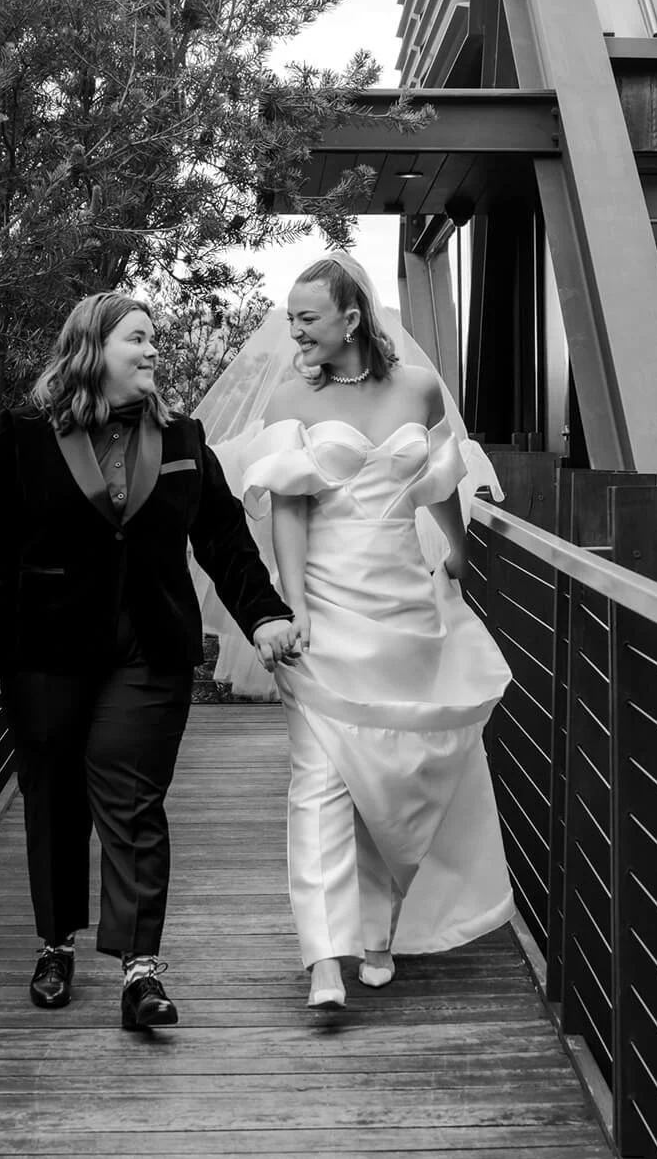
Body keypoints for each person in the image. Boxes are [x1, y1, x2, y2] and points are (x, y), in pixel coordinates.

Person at [0, 292, 298, 1029]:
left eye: (156, 339)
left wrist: (264, 615)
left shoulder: (183, 439)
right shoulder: (25, 437)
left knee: (132, 799)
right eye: (139, 338)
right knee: (54, 798)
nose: (154, 350)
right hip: (45, 650)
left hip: (149, 651)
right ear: (93, 348)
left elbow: (225, 541)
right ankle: (54, 944)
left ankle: (141, 971)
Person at [205, 252, 514, 1009]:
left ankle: (378, 929)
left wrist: (463, 557)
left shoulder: (416, 385)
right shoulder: (291, 398)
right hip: (327, 609)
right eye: (291, 317)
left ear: (352, 317)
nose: (294, 331)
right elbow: (288, 507)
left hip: (406, 609)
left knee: (395, 772)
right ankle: (323, 957)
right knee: (319, 781)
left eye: (307, 318)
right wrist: (295, 604)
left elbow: (440, 482)